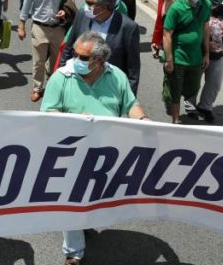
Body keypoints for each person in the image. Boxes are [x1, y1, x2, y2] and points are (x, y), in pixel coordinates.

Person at [41, 31, 149, 265]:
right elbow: (48, 112)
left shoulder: (116, 76)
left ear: (99, 60)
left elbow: (131, 104)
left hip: (107, 152)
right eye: (75, 54)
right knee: (71, 199)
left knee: (95, 196)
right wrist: (76, 120)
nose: (76, 60)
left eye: (83, 57)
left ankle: (86, 220)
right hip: (71, 152)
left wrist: (143, 121)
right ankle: (73, 252)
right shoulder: (61, 77)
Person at [58, 0, 140, 93]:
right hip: (77, 83)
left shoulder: (128, 27)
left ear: (105, 7)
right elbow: (68, 48)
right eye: (86, 0)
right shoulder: (82, 15)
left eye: (90, 3)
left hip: (109, 90)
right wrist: (61, 78)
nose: (86, 6)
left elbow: (133, 69)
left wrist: (129, 98)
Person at [19, 0, 74, 103]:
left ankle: (52, 86)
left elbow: (68, 1)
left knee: (56, 61)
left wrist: (64, 11)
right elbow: (25, 7)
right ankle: (37, 88)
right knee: (39, 62)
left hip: (57, 29)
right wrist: (21, 26)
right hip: (39, 28)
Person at [162, 0, 211, 123]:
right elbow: (167, 34)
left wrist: (206, 54)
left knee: (193, 87)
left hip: (196, 57)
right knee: (176, 90)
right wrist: (169, 59)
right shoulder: (177, 7)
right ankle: (176, 119)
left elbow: (205, 29)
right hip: (178, 56)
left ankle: (172, 94)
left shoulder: (206, 5)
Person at [184, 0, 223, 122]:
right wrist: (205, 44)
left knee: (214, 83)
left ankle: (205, 107)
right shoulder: (199, 8)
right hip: (198, 52)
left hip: (218, 53)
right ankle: (190, 107)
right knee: (194, 81)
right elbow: (192, 29)